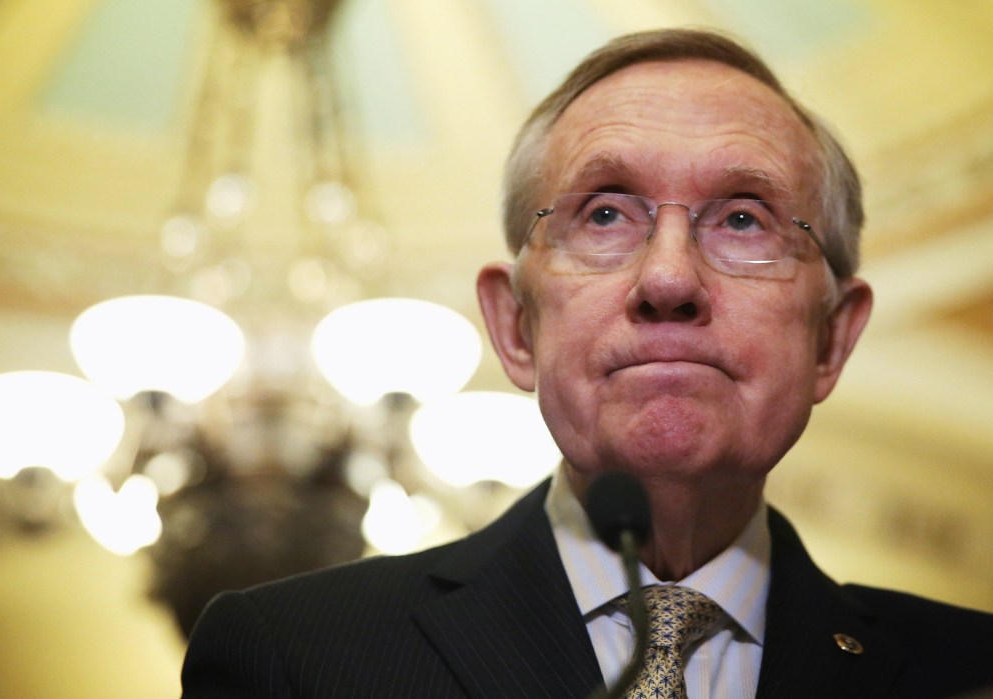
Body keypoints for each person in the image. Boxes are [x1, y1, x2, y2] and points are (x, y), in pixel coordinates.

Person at [181, 28, 993, 698]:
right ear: (515, 326)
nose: (669, 279)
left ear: (832, 339)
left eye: (744, 220)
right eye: (604, 213)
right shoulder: (294, 657)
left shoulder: (969, 670)